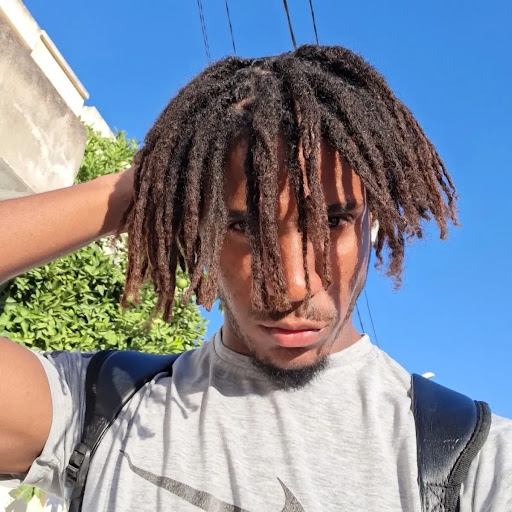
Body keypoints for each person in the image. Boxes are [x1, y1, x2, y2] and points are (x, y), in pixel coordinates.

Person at [0, 45, 510, 512]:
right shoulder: (99, 406)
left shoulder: (475, 461)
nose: (292, 287)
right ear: (197, 229)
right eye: (243, 227)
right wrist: (149, 186)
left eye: (333, 221)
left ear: (370, 222)